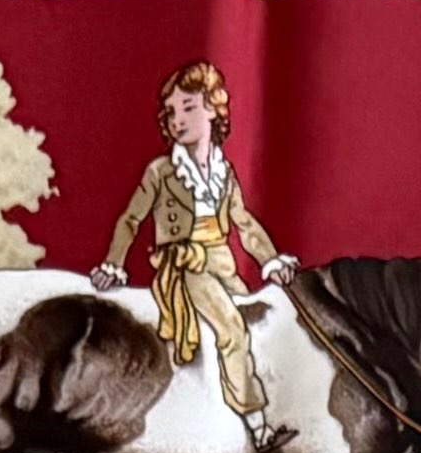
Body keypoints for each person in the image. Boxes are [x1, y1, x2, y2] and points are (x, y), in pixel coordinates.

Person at [92, 60, 286, 424]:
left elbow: (243, 222)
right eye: (171, 112)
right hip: (185, 267)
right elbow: (131, 219)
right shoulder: (162, 172)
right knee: (231, 328)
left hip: (223, 264)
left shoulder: (225, 172)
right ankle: (256, 423)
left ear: (212, 108)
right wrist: (113, 264)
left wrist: (271, 260)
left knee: (259, 324)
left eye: (188, 108)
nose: (177, 120)